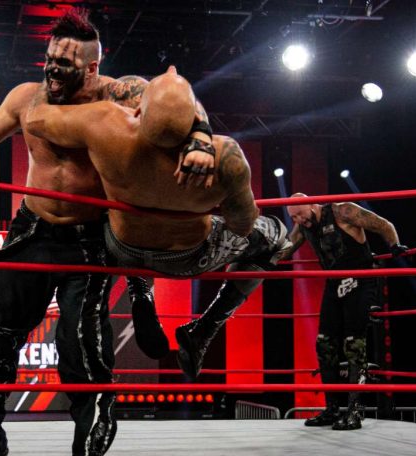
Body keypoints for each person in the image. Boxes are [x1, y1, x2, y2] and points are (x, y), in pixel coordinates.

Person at [0, 11, 214, 456]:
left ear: (91, 67)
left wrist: (200, 141)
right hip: (33, 230)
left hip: (91, 237)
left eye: (65, 64)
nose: (53, 71)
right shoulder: (27, 97)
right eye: (50, 60)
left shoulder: (118, 93)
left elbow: (181, 103)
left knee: (81, 348)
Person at [25, 66, 293, 381]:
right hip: (186, 258)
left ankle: (140, 290)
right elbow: (242, 225)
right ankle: (204, 329)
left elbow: (36, 120)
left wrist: (53, 73)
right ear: (195, 120)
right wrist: (204, 197)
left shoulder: (105, 126)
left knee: (110, 201)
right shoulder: (227, 155)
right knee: (276, 238)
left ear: (138, 111)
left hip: (122, 247)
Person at [286, 193, 408, 430]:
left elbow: (383, 224)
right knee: (324, 344)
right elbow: (286, 249)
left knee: (354, 344)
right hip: (333, 284)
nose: (299, 220)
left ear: (312, 204)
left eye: (300, 213)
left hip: (360, 281)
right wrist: (259, 260)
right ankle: (332, 409)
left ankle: (355, 411)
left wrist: (394, 245)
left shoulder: (342, 211)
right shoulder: (303, 227)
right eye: (293, 217)